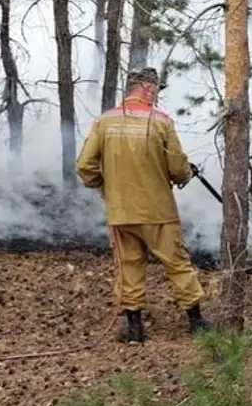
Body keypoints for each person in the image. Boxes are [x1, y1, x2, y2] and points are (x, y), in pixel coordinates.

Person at [75, 67, 210, 344]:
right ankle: (196, 323)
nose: (156, 96)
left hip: (121, 211)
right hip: (158, 211)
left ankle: (135, 331)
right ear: (148, 88)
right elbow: (177, 168)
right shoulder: (161, 122)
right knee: (177, 264)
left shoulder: (104, 122)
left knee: (129, 265)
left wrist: (105, 186)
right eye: (156, 91)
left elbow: (84, 166)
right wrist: (186, 173)